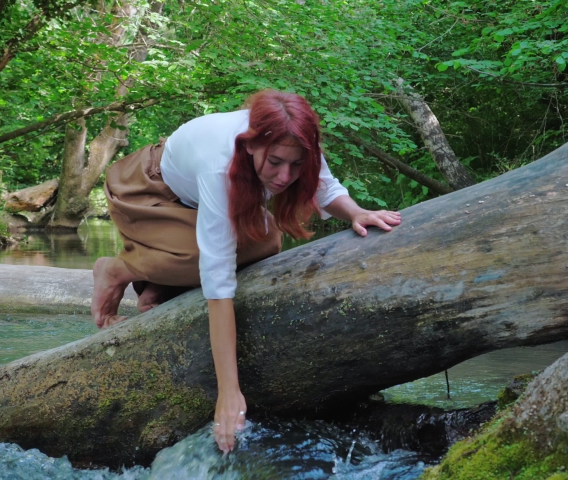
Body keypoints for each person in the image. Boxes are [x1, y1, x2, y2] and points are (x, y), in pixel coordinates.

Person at [90, 89, 401, 453]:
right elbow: (219, 283)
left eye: (296, 165)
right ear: (251, 145)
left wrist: (357, 213)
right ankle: (117, 270)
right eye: (275, 162)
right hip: (148, 189)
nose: (285, 176)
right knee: (203, 257)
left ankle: (157, 285)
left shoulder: (297, 140)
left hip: (191, 204)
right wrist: (229, 392)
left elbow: (325, 186)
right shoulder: (220, 165)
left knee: (268, 239)